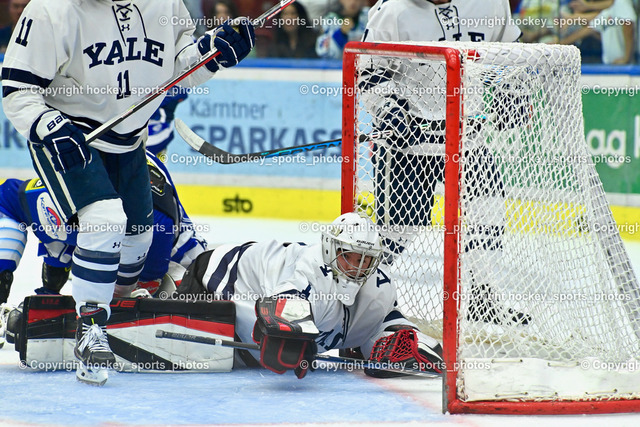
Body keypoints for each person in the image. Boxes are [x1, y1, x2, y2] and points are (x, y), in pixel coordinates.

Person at [1, 0, 254, 385]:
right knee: (104, 220)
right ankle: (91, 333)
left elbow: (178, 67)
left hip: (130, 143)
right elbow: (17, 88)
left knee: (136, 241)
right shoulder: (51, 10)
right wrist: (49, 125)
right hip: (71, 138)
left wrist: (215, 52)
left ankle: (107, 304)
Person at [361, 0, 529, 325]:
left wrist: (513, 89)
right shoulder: (393, 11)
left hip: (468, 138)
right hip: (408, 146)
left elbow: (510, 53)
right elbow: (367, 73)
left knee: (486, 211)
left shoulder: (489, 3)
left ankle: (483, 297)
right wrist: (388, 109)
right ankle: (355, 292)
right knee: (398, 230)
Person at [175, 212, 444, 378]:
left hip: (255, 287)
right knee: (214, 348)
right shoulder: (311, 270)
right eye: (348, 256)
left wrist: (409, 343)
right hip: (218, 274)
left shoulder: (380, 287)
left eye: (365, 260)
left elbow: (388, 324)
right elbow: (284, 303)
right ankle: (170, 292)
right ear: (330, 249)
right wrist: (290, 334)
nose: (356, 267)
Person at [0, 151, 207, 304]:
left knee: (194, 297)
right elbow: (7, 199)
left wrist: (140, 287)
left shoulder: (134, 176)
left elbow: (160, 225)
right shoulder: (56, 189)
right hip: (110, 235)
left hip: (176, 264)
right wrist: (49, 292)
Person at [560, 0, 636, 64]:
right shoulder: (609, 11)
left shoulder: (622, 2)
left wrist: (626, 59)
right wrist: (559, 43)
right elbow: (589, 29)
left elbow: (628, 27)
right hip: (612, 64)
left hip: (625, 67)